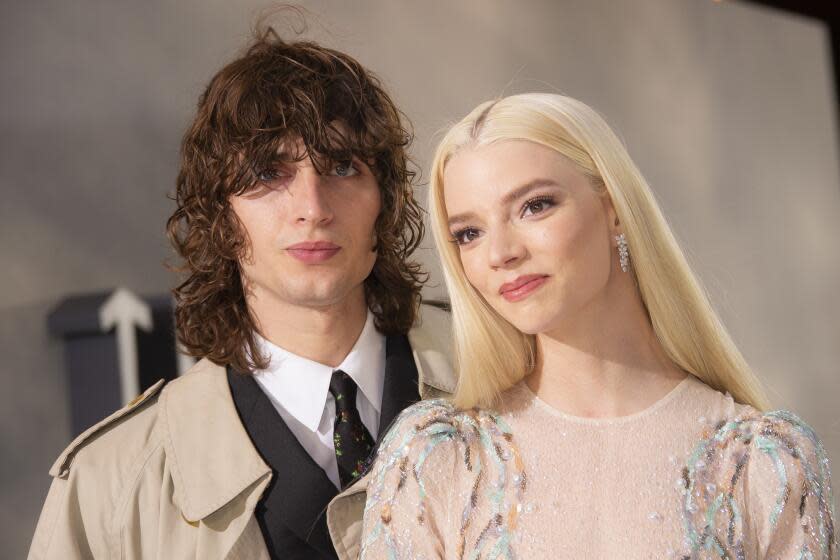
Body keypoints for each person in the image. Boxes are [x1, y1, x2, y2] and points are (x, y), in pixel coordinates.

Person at [28, 28, 456, 560]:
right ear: (220, 217)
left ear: (385, 201)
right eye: (269, 173)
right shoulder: (110, 488)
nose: (314, 206)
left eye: (343, 166)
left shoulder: (517, 377)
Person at [359, 93, 836, 559]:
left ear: (613, 210)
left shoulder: (763, 464)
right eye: (469, 233)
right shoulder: (436, 459)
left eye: (535, 206)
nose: (501, 252)